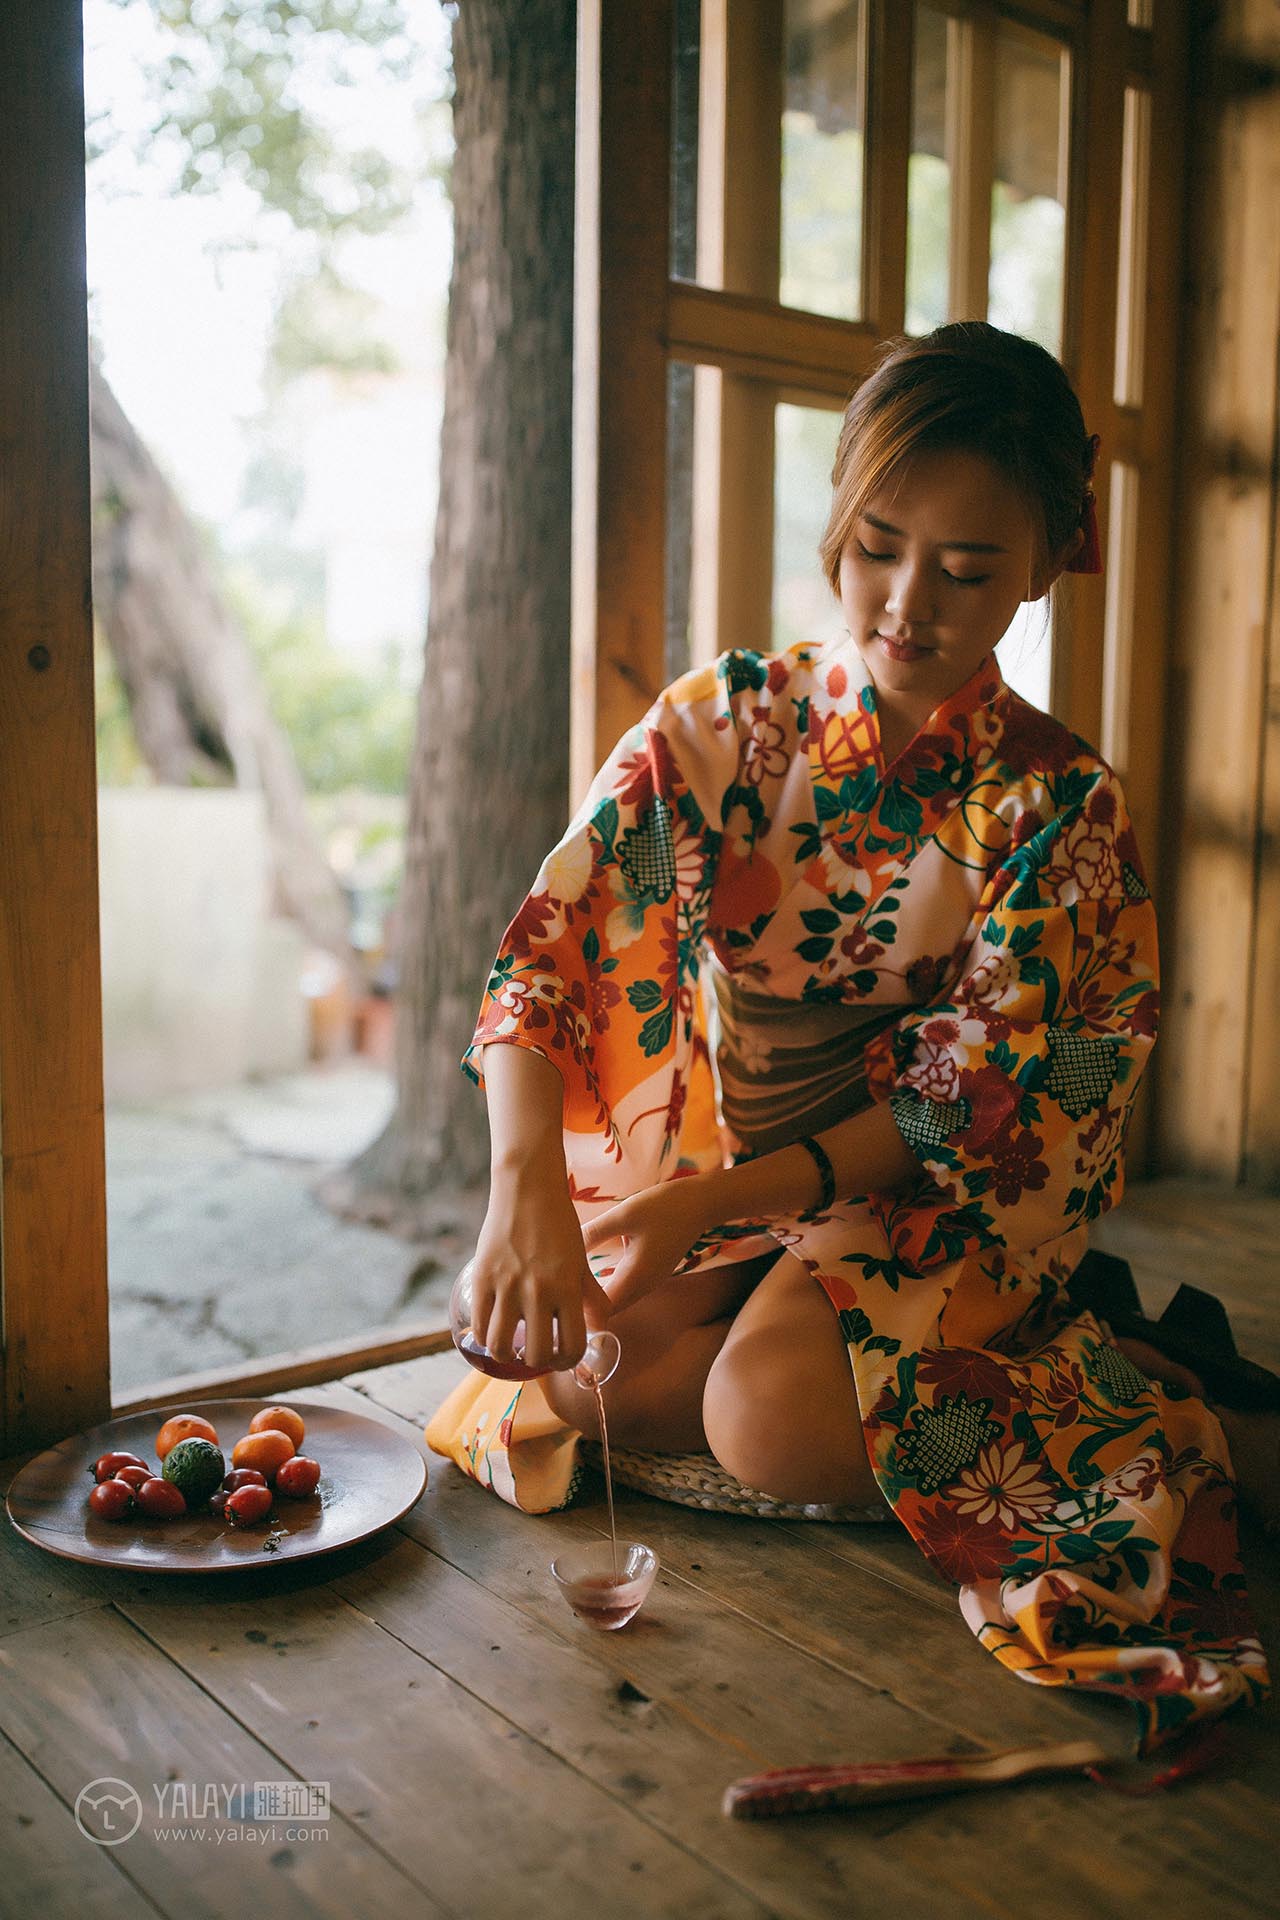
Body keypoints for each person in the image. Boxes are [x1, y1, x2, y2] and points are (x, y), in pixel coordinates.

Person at [426, 322, 1270, 1753]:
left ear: (1050, 562)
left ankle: (1135, 1397)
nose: (905, 604)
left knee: (760, 1424)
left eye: (968, 569)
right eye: (878, 544)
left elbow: (972, 1114)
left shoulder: (1059, 810)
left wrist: (700, 1208)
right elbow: (553, 949)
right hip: (737, 1171)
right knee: (573, 1370)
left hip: (927, 1197)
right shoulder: (732, 719)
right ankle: (880, 1364)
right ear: (838, 512)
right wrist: (523, 1197)